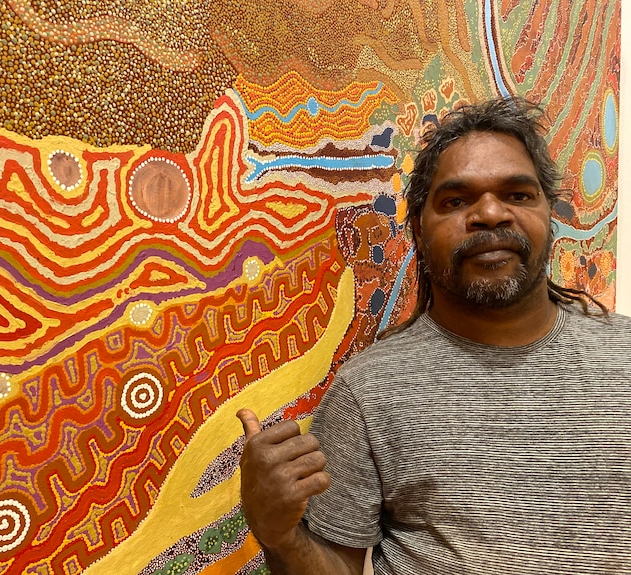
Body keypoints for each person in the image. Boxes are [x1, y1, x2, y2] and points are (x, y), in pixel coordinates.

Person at [237, 97, 631, 574]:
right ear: (420, 234)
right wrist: (276, 535)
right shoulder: (368, 391)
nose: (490, 213)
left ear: (550, 217)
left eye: (518, 195)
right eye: (457, 201)